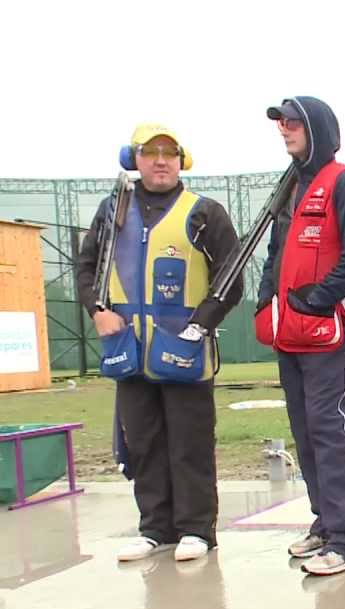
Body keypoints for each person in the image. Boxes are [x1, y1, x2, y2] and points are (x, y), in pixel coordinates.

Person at [75, 123, 243, 563]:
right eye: (151, 153)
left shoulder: (204, 212)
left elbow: (230, 279)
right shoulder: (113, 210)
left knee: (190, 442)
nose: (161, 161)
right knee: (143, 441)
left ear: (181, 160)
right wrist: (97, 310)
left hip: (184, 347)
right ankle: (155, 528)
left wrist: (201, 325)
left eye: (170, 153)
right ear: (135, 159)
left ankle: (196, 530)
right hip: (127, 346)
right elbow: (87, 266)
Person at [256, 96, 345, 576]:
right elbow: (274, 253)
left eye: (292, 123)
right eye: (280, 124)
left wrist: (316, 298)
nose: (283, 130)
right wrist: (268, 301)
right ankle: (325, 522)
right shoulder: (290, 187)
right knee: (305, 432)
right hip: (289, 332)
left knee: (329, 430)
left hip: (327, 333)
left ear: (316, 129)